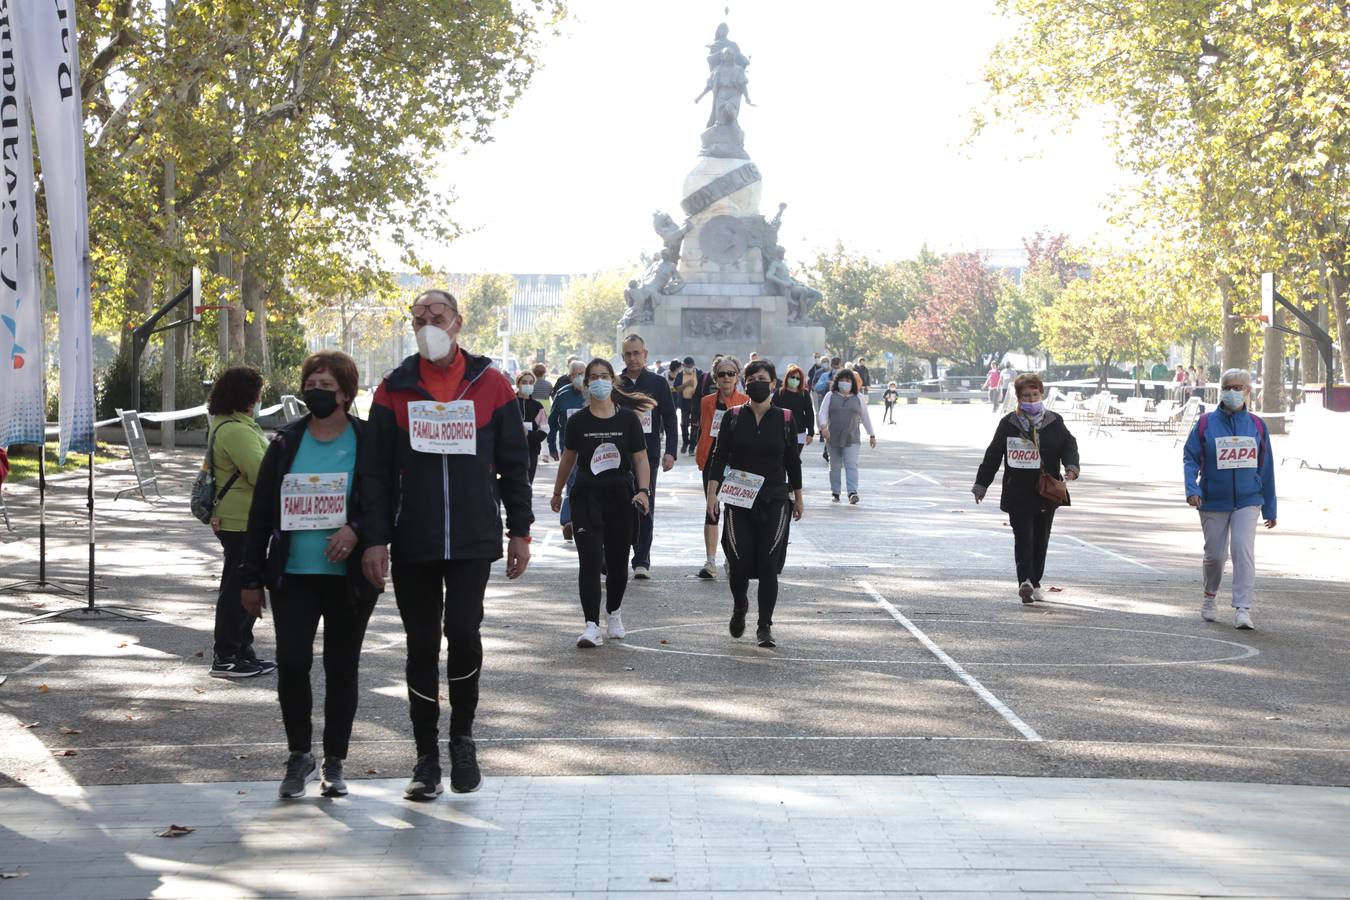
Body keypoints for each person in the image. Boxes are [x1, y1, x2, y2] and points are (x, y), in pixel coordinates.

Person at [359, 289, 533, 800]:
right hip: (413, 536)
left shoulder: (492, 383)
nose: (427, 323)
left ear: (458, 322)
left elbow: (515, 465)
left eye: (436, 316)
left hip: (474, 536)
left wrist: (519, 529)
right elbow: (375, 472)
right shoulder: (394, 387)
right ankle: (425, 756)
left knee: (462, 629)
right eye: (418, 318)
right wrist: (375, 539)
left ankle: (462, 739)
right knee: (419, 643)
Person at [239, 350, 378, 799]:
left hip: (348, 579)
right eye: (311, 386)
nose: (316, 394)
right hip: (294, 575)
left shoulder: (368, 440)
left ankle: (335, 760)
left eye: (326, 388)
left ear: (346, 394)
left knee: (342, 667)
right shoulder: (285, 443)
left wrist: (357, 530)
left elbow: (387, 502)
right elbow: (260, 513)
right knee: (293, 662)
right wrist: (249, 577)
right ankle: (299, 754)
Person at [549, 359, 653, 648]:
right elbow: (568, 459)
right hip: (586, 496)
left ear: (613, 380)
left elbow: (640, 458)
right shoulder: (578, 421)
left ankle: (614, 614)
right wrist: (557, 492)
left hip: (620, 495)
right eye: (593, 377)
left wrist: (643, 490)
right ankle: (591, 625)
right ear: (586, 384)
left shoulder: (628, 420)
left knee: (619, 563)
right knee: (591, 561)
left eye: (604, 376)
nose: (598, 381)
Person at [706, 360, 803, 648]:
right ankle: (740, 606)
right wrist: (712, 495)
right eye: (751, 378)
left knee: (768, 563)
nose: (757, 383)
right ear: (744, 383)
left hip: (774, 499)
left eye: (763, 378)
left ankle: (765, 626)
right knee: (739, 563)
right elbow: (718, 458)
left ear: (773, 383)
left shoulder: (785, 418)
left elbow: (792, 461)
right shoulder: (733, 417)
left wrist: (798, 497)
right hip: (739, 500)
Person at [972, 372, 1080, 604]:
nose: (1031, 400)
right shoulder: (1009, 423)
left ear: (1041, 394)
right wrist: (981, 484)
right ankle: (1025, 582)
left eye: (1034, 395)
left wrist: (1071, 467)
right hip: (1018, 491)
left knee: (1041, 538)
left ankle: (1036, 581)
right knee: (1023, 537)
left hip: (1046, 491)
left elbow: (1068, 444)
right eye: (1026, 396)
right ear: (1018, 398)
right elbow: (992, 455)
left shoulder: (1054, 421)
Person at [1182, 368, 1276, 630]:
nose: (1233, 392)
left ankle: (1243, 608)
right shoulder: (1204, 424)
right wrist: (1192, 489)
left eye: (1239, 388)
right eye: (1228, 387)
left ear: (1248, 391)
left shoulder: (1257, 425)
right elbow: (1190, 457)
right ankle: (1209, 597)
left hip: (1248, 499)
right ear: (1221, 390)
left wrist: (1270, 506)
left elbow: (1265, 467)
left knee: (1242, 550)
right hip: (1213, 500)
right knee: (1215, 555)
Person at [205, 365, 276, 680]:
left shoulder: (240, 425)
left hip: (248, 519)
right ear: (248, 396)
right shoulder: (235, 429)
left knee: (247, 585)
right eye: (259, 393)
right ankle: (227, 654)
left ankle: (243, 651)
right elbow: (261, 472)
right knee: (238, 589)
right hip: (240, 520)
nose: (261, 398)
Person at [618, 334, 678, 579]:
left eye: (637, 353)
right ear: (623, 357)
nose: (633, 358)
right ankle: (617, 555)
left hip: (648, 454)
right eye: (628, 354)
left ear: (645, 354)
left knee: (644, 504)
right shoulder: (615, 383)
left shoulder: (657, 383)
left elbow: (671, 418)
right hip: (618, 455)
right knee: (619, 505)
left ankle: (642, 559)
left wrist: (671, 452)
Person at [695, 357, 748, 579]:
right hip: (711, 461)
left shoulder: (745, 401)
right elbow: (703, 428)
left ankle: (732, 558)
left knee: (735, 511)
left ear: (737, 376)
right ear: (715, 377)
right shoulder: (707, 401)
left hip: (736, 463)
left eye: (731, 373)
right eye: (721, 374)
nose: (726, 378)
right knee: (712, 509)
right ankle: (710, 561)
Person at [818, 369, 876, 503]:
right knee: (835, 466)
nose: (844, 383)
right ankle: (836, 492)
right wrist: (823, 427)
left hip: (852, 437)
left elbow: (865, 417)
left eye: (848, 381)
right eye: (842, 380)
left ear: (852, 383)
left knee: (851, 464)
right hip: (833, 437)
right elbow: (822, 413)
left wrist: (871, 434)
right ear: (837, 382)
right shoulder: (830, 396)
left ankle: (852, 492)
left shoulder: (859, 397)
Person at [548, 360, 589, 541]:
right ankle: (568, 521)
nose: (579, 376)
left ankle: (582, 520)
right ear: (569, 376)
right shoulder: (563, 395)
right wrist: (551, 445)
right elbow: (552, 422)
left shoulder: (594, 394)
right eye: (575, 374)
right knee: (571, 483)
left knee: (586, 484)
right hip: (569, 448)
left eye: (582, 372)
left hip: (592, 448)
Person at [515, 370, 549, 484]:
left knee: (527, 484)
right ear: (518, 384)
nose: (527, 385)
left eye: (530, 382)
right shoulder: (509, 404)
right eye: (524, 382)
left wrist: (529, 434)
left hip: (531, 451)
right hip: (511, 451)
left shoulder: (537, 406)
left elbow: (544, 430)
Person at [772, 363, 815, 449]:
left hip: (799, 432)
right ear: (787, 377)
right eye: (792, 377)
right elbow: (772, 412)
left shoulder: (804, 394)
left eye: (798, 378)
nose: (795, 379)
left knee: (795, 459)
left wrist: (810, 433)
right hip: (781, 432)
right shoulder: (779, 393)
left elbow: (809, 413)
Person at [675, 355, 702, 454]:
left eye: (690, 366)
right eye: (687, 366)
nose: (689, 368)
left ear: (694, 365)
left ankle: (692, 446)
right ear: (683, 365)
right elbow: (677, 388)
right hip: (685, 402)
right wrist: (686, 384)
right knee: (684, 423)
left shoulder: (699, 373)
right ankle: (685, 442)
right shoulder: (680, 375)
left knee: (695, 424)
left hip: (696, 402)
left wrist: (697, 391)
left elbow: (703, 387)